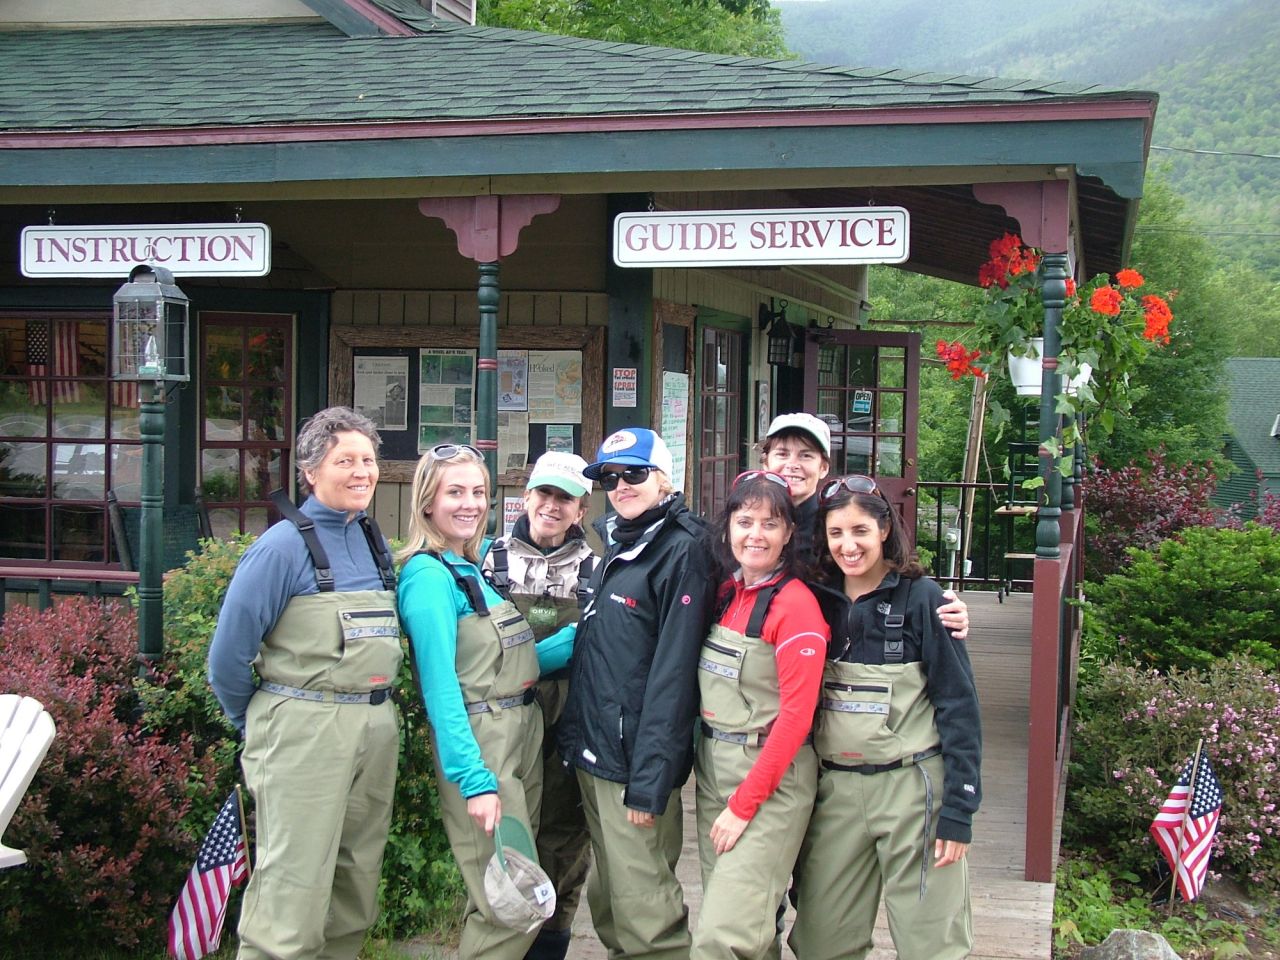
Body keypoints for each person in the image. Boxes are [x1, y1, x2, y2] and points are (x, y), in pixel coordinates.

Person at [208, 406, 401, 960]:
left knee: (355, 881)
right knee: (292, 889)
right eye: (346, 460)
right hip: (303, 729)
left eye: (368, 459)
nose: (361, 471)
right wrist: (269, 723)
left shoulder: (371, 540)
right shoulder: (280, 549)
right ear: (311, 471)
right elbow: (227, 660)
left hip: (374, 726)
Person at [789, 475, 982, 960]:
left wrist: (959, 811)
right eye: (836, 533)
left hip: (914, 789)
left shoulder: (925, 600)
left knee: (932, 942)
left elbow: (959, 707)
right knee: (820, 940)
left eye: (859, 531)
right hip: (834, 791)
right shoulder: (813, 599)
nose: (848, 546)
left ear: (883, 531)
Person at [397, 443, 573, 960]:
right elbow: (441, 687)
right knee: (509, 903)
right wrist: (474, 781)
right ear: (427, 501)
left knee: (513, 889)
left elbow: (511, 663)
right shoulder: (428, 577)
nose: (470, 503)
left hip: (520, 736)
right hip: (485, 747)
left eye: (478, 491)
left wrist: (589, 633)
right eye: (455, 492)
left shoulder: (467, 567)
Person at [557, 427, 716, 960]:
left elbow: (674, 677)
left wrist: (650, 782)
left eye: (635, 473)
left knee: (647, 915)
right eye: (609, 476)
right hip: (596, 750)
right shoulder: (622, 540)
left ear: (665, 479)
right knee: (611, 903)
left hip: (633, 765)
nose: (621, 485)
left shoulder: (683, 550)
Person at [690, 470, 829, 960]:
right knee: (749, 926)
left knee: (721, 938)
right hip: (715, 770)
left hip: (769, 783)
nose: (755, 534)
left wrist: (744, 804)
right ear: (728, 526)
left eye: (770, 524)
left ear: (789, 533)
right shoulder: (726, 594)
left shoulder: (796, 608)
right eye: (745, 520)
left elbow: (795, 718)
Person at [482, 451, 597, 960]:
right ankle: (501, 930)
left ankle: (552, 939)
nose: (551, 505)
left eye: (564, 499)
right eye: (543, 493)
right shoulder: (491, 560)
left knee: (565, 831)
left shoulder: (597, 569)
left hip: (569, 708)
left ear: (581, 510)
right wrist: (539, 653)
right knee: (506, 822)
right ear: (525, 497)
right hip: (507, 705)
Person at [761, 411, 971, 638]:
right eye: (782, 454)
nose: (792, 464)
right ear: (766, 462)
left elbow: (887, 575)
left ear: (823, 467)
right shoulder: (746, 521)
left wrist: (936, 609)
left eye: (806, 456)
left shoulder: (838, 522)